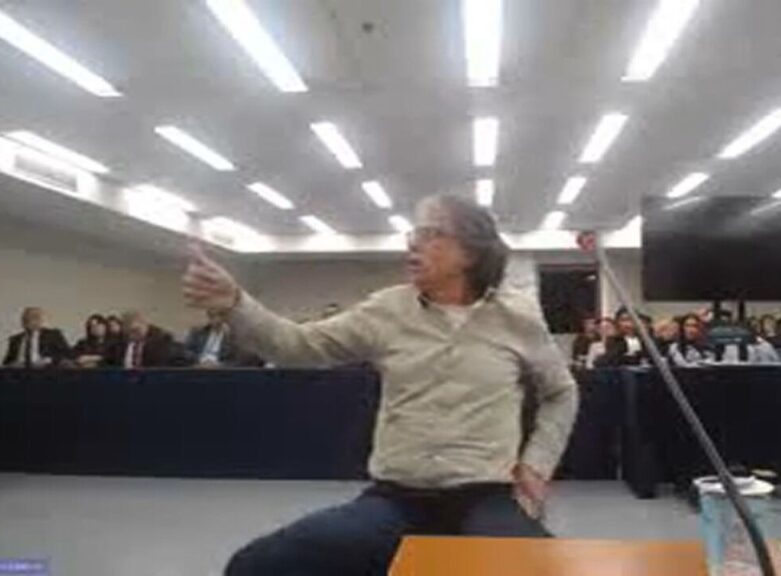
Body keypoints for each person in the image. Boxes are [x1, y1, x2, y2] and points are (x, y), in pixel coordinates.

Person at [183, 194, 578, 576]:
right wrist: (235, 303)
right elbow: (297, 346)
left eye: (430, 234)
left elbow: (561, 392)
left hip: (485, 496)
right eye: (413, 234)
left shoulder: (517, 319)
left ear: (471, 253)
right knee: (257, 565)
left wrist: (537, 464)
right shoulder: (387, 310)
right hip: (397, 499)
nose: (413, 244)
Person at [105, 311, 189, 368]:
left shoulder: (162, 339)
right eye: (128, 332)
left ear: (144, 324)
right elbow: (109, 361)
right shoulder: (119, 341)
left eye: (135, 330)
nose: (131, 336)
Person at [185, 309, 259, 367]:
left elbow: (239, 361)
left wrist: (220, 365)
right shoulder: (198, 332)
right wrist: (200, 361)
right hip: (199, 369)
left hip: (222, 371)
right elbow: (186, 352)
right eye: (212, 316)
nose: (216, 320)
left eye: (220, 316)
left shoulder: (234, 335)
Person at [1, 307, 71, 368]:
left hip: (46, 370)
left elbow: (67, 354)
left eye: (35, 317)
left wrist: (49, 360)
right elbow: (6, 362)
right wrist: (12, 364)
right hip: (19, 372)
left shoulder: (53, 335)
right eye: (25, 318)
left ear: (41, 320)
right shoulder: (15, 339)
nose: (30, 320)